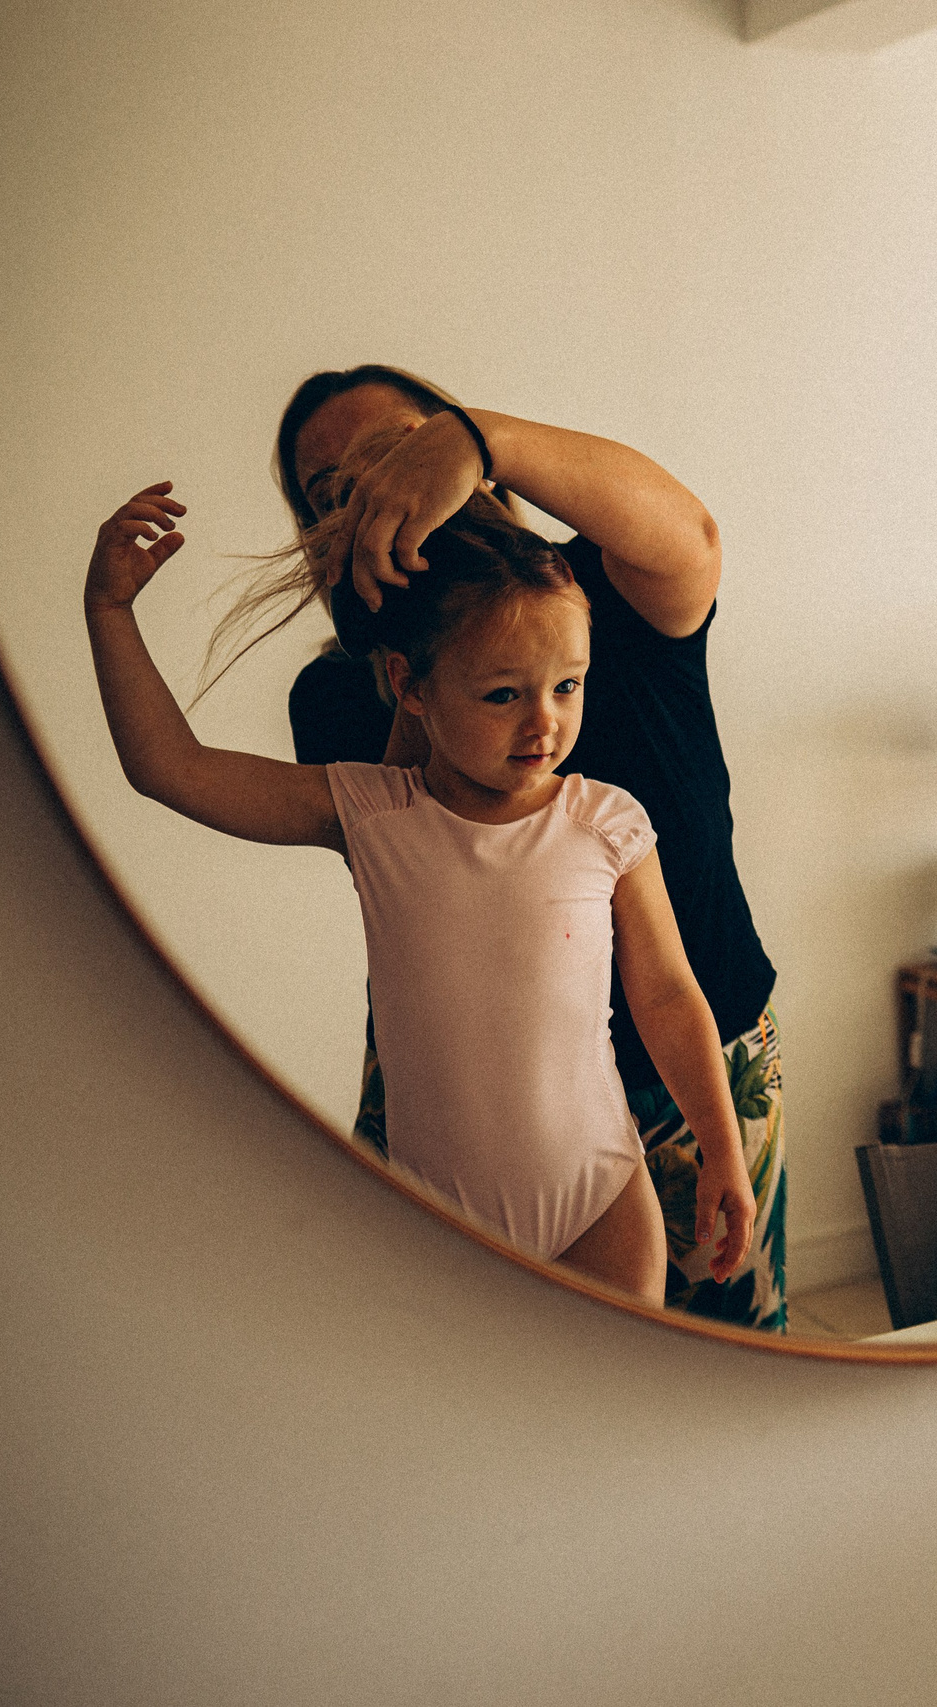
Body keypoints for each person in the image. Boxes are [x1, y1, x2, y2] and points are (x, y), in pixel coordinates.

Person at [83, 474, 756, 1302]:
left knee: (608, 1424)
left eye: (567, 686)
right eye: (504, 694)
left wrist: (723, 1149)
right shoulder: (370, 810)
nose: (543, 721)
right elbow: (170, 767)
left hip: (603, 1209)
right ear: (410, 684)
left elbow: (667, 994)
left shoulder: (608, 822)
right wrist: (110, 615)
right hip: (436, 1225)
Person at [232, 365, 786, 1330]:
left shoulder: (604, 596)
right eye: (335, 496)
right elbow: (410, 835)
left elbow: (693, 538)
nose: (376, 496)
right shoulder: (337, 697)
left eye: (399, 456)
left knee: (715, 1370)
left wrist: (478, 436)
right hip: (463, 1105)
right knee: (470, 1368)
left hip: (692, 1059)